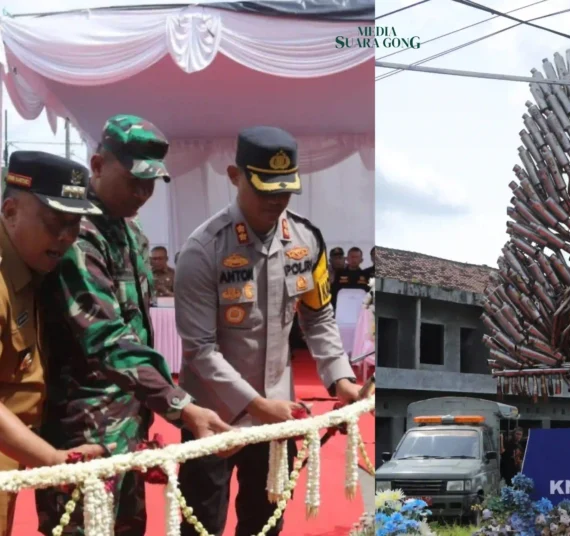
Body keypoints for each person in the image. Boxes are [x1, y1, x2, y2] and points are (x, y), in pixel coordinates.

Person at [36, 115, 234, 535]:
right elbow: (106, 338)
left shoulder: (131, 231)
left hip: (130, 421)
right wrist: (180, 405)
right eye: (133, 181)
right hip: (84, 427)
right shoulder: (78, 236)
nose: (143, 193)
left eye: (151, 183)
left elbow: (137, 330)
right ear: (97, 165)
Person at [174, 126, 363, 536]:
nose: (276, 199)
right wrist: (256, 405)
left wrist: (341, 378)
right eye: (264, 188)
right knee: (201, 524)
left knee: (266, 523)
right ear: (234, 175)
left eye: (286, 189)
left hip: (277, 416)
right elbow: (199, 350)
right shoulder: (204, 250)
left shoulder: (306, 240)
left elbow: (317, 316)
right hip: (213, 415)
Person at [0, 151, 114, 535]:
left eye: (74, 225)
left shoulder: (33, 270)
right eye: (54, 223)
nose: (66, 238)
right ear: (11, 211)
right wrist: (51, 459)